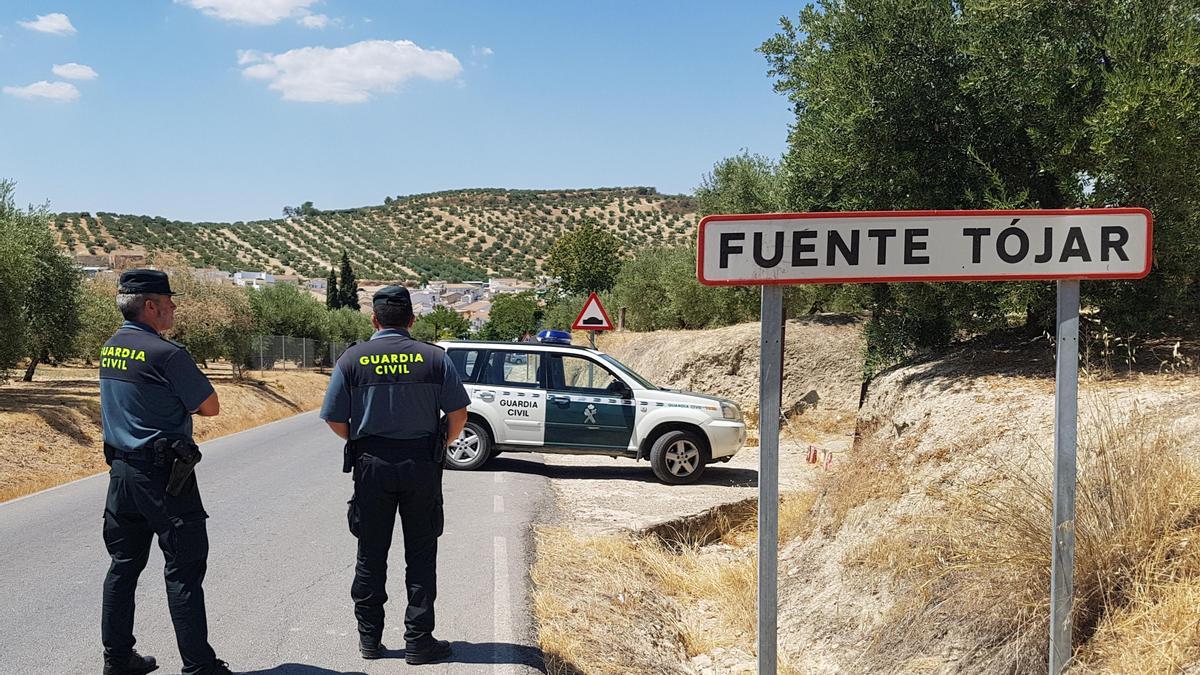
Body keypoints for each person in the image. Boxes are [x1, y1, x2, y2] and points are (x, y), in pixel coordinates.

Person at [320, 285, 469, 665]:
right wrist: (441, 445)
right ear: (411, 320)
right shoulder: (435, 359)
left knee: (370, 554)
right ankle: (419, 641)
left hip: (371, 465)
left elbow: (335, 418)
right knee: (421, 554)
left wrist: (361, 439)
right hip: (421, 465)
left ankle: (370, 640)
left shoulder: (352, 359)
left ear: (374, 320)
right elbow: (458, 417)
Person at [98, 269, 232, 675]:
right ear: (150, 306)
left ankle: (117, 659)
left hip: (121, 473)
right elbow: (210, 407)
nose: (174, 306)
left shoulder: (111, 347)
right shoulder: (167, 353)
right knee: (184, 568)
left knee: (123, 566)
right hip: (165, 477)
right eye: (168, 300)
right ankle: (199, 666)